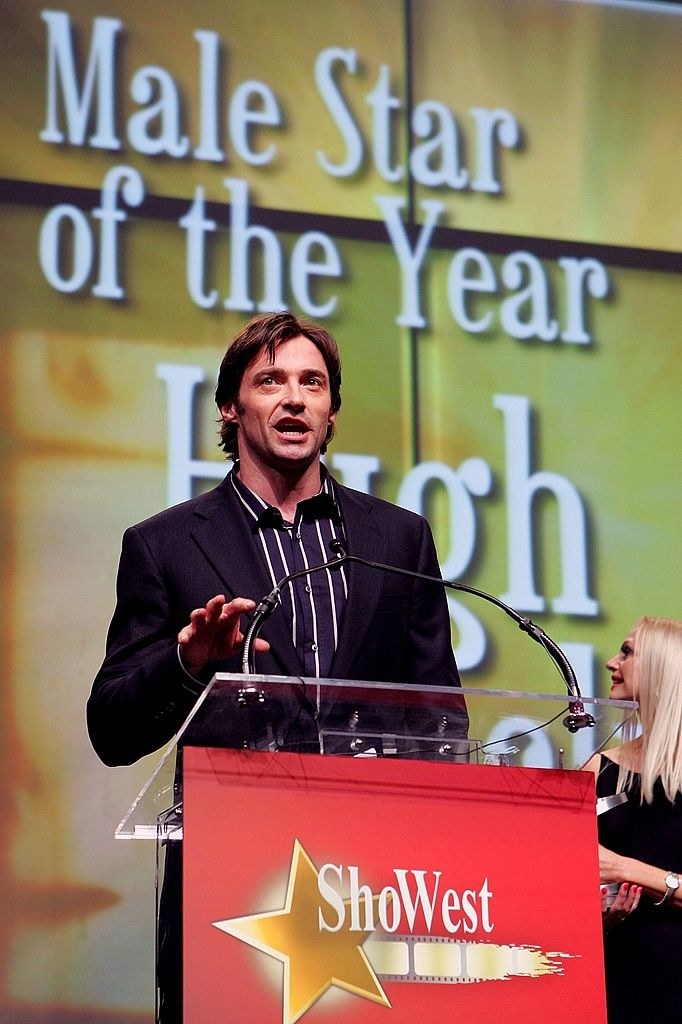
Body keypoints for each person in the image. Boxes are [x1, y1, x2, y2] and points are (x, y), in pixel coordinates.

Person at [87, 311, 462, 1022]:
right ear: (232, 407)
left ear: (331, 408)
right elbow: (111, 727)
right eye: (271, 381)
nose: (294, 398)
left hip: (377, 889)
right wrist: (188, 663)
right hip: (234, 891)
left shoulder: (398, 537)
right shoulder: (164, 546)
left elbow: (440, 718)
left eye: (312, 383)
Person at [585, 617, 682, 1024]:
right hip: (619, 981)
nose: (611, 662)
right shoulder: (599, 768)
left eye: (627, 651)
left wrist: (626, 869)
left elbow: (616, 866)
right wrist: (601, 917)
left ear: (662, 667)